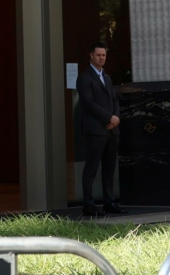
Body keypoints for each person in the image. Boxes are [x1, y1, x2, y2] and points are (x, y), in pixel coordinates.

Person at [75, 44, 122, 218]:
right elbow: (88, 103)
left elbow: (114, 100)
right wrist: (108, 118)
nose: (102, 58)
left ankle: (109, 203)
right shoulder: (84, 78)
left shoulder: (107, 78)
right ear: (91, 56)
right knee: (92, 168)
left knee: (109, 169)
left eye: (104, 55)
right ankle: (89, 205)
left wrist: (116, 118)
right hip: (95, 130)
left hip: (112, 130)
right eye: (98, 55)